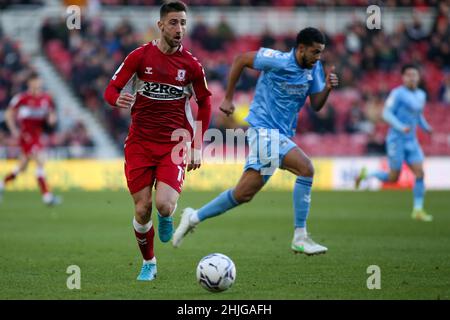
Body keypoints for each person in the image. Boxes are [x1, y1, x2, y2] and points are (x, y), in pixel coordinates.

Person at [173, 27, 339, 255]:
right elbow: (241, 59)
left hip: (279, 135)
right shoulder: (277, 60)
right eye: (314, 52)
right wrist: (229, 98)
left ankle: (193, 217)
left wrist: (328, 88)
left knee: (243, 194)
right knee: (306, 168)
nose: (318, 57)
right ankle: (300, 237)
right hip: (263, 132)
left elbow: (317, 104)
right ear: (301, 48)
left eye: (320, 53)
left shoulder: (314, 69)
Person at [103, 1, 212, 281]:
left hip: (174, 144)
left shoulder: (191, 65)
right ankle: (149, 262)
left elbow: (205, 102)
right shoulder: (139, 57)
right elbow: (111, 89)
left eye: (184, 23)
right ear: (160, 25)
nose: (180, 29)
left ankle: (167, 215)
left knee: (163, 205)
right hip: (139, 143)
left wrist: (198, 145)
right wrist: (117, 99)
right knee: (142, 208)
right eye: (174, 22)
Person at [355, 64, 433, 222]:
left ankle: (418, 210)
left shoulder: (421, 95)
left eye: (414, 75)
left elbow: (418, 116)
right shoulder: (397, 94)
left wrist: (426, 127)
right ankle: (366, 175)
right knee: (393, 178)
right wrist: (400, 126)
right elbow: (386, 113)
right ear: (403, 77)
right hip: (396, 140)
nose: (412, 78)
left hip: (412, 141)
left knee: (420, 173)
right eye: (409, 75)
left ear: (418, 77)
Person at [0, 72, 61, 206]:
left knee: (22, 167)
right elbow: (9, 114)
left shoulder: (46, 98)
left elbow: (51, 116)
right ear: (29, 83)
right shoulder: (21, 98)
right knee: (40, 160)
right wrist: (14, 130)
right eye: (35, 83)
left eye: (39, 83)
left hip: (37, 135)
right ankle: (47, 196)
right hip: (26, 135)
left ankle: (1, 184)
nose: (37, 85)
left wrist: (52, 119)